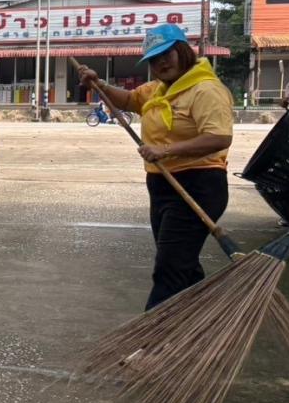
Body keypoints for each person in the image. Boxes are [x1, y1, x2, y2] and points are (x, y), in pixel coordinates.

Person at [78, 23, 234, 309]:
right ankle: (201, 316)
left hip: (198, 185)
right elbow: (127, 100)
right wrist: (98, 84)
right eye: (154, 58)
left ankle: (152, 343)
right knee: (181, 263)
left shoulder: (205, 90)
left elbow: (219, 137)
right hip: (162, 186)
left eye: (166, 54)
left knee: (169, 269)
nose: (161, 62)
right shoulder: (159, 89)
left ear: (183, 51)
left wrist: (166, 150)